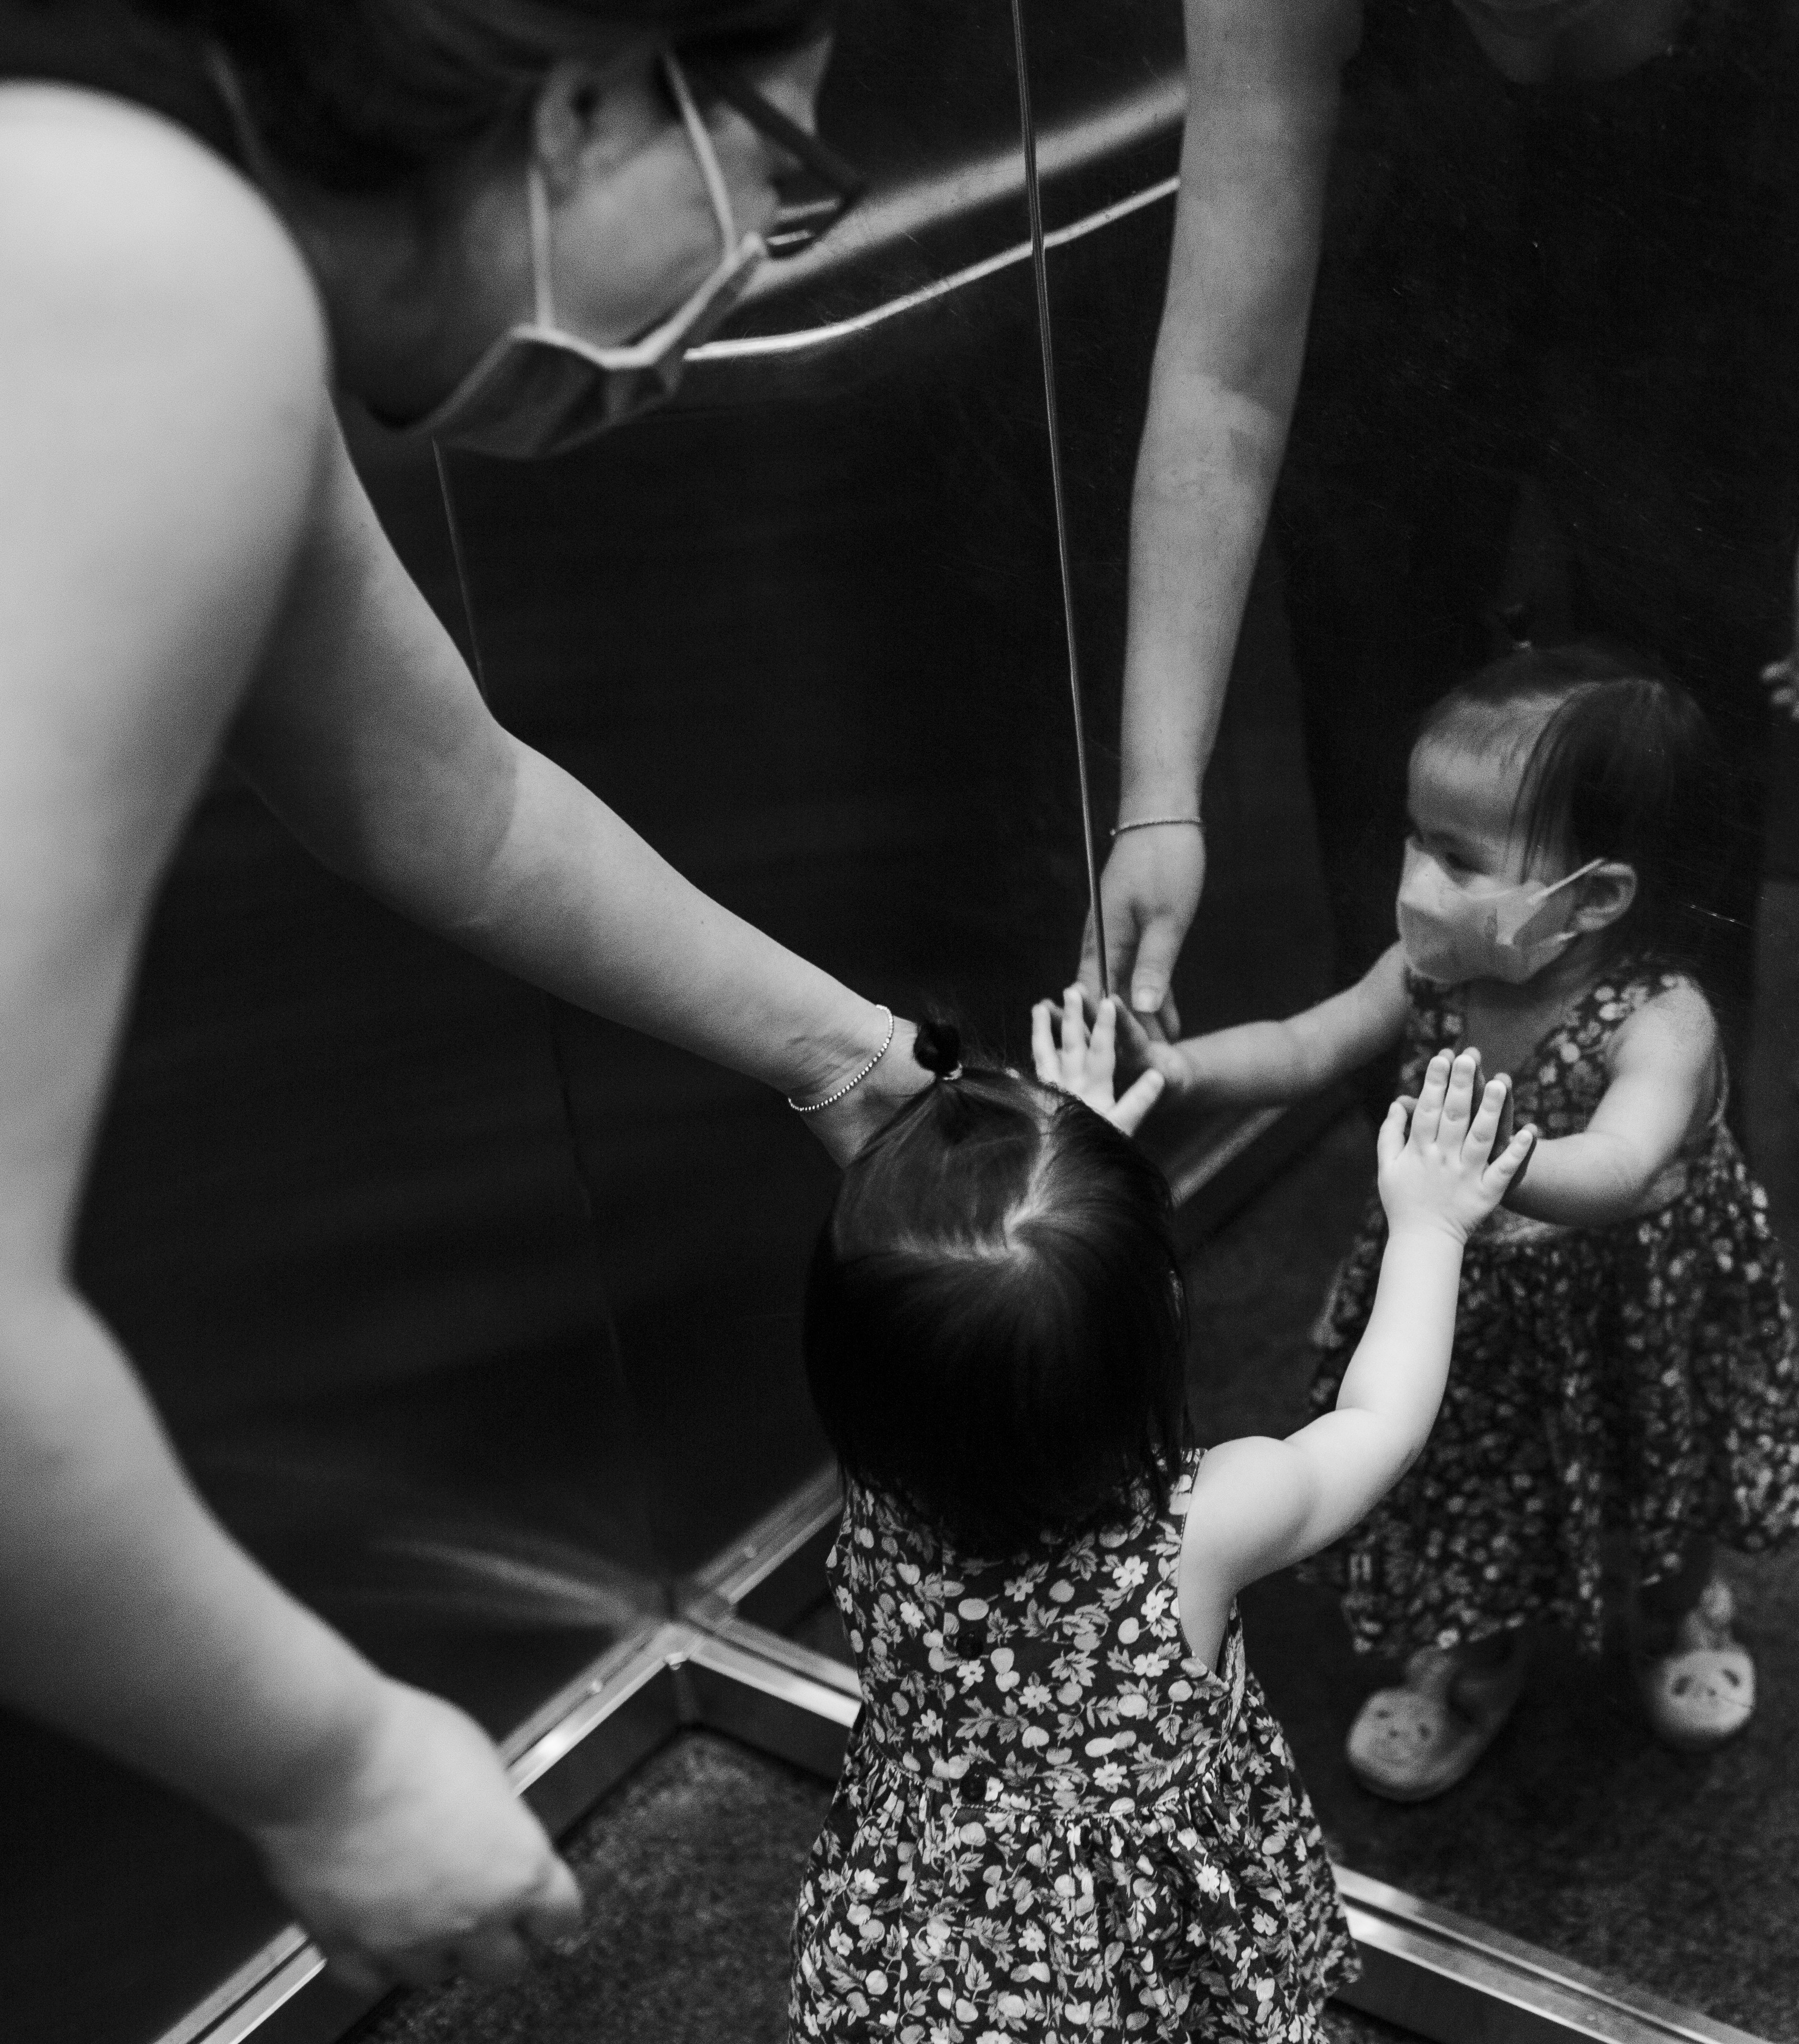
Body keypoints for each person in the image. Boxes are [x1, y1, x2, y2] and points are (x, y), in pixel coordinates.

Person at [0, 0, 940, 1990]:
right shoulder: (155, 260)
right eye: (779, 162)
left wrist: (856, 1061)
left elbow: (454, 803)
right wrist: (323, 1761)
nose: (766, 245)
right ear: (589, 98)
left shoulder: (156, 193)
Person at [1082, 0, 1799, 1040]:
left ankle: (1669, 1163)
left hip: (1701, 319)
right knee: (1391, 825)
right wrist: (1158, 799)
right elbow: (1222, 381)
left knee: (1678, 827)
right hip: (1406, 319)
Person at [1122, 646, 1799, 1798]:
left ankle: (1677, 1607)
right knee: (1467, 1486)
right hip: (1469, 1301)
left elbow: (1623, 1162)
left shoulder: (1661, 1018)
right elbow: (1308, 1044)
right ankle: (1479, 1647)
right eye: (1415, 834)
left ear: (1595, 895)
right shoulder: (1430, 969)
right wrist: (1183, 1068)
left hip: (1629, 1305)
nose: (1417, 876)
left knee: (1662, 1469)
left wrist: (1485, 1168)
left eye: (1459, 855)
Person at [788, 1017, 1532, 2040]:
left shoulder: (878, 1464)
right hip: (1132, 1959)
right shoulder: (1200, 1529)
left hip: (932, 1935)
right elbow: (1379, 1425)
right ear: (1163, 1326)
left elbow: (970, 1333)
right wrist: (1431, 1227)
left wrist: (1059, 1167)